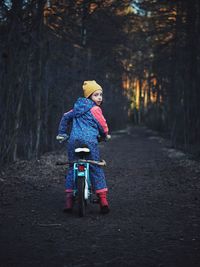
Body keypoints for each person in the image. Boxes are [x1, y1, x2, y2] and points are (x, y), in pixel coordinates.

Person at [56, 80, 110, 214]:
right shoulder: (95, 109)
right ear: (89, 96)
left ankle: (69, 201)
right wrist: (105, 135)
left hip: (73, 141)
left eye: (101, 95)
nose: (99, 97)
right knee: (95, 167)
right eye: (96, 95)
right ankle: (103, 201)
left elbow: (65, 117)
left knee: (72, 167)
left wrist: (62, 133)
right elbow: (102, 124)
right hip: (90, 142)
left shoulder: (76, 108)